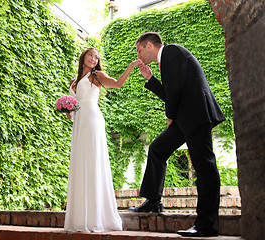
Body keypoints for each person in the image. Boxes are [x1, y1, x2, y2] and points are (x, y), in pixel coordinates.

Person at [129, 32, 225, 237]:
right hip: (184, 117)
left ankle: (207, 224)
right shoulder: (167, 60)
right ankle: (153, 201)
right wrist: (151, 79)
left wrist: (170, 116)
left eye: (139, 50)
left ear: (148, 45)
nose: (139, 55)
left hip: (196, 115)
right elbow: (170, 92)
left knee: (204, 165)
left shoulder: (172, 51)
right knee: (157, 149)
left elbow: (176, 91)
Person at [64, 47, 142, 233]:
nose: (93, 58)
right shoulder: (73, 81)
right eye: (91, 54)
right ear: (83, 56)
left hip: (92, 120)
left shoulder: (96, 75)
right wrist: (68, 111)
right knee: (80, 163)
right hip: (79, 123)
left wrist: (131, 66)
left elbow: (116, 84)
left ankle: (96, 218)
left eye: (96, 57)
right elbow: (74, 106)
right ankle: (80, 217)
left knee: (92, 162)